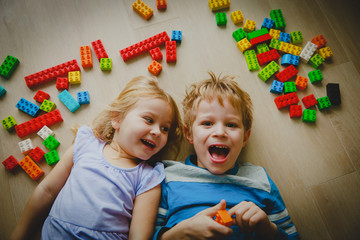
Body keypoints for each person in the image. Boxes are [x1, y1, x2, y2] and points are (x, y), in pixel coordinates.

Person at [11, 76, 183, 240]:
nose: (157, 132)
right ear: (117, 118)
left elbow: (138, 236)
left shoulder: (148, 177)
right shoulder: (86, 144)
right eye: (148, 119)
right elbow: (46, 191)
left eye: (165, 128)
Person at [153, 72, 300, 240]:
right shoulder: (168, 176)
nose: (220, 132)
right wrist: (178, 233)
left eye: (231, 125)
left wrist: (268, 229)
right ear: (189, 134)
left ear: (245, 137)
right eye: (207, 123)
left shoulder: (259, 180)